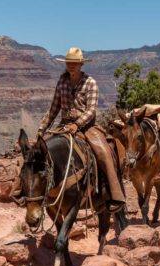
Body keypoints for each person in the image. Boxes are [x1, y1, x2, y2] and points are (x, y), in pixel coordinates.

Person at [38, 47, 125, 211]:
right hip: (64, 125)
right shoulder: (62, 82)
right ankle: (26, 192)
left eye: (75, 63)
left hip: (87, 127)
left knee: (103, 152)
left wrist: (77, 124)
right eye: (69, 63)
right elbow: (53, 109)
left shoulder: (90, 83)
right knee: (38, 152)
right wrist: (42, 129)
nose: (71, 66)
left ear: (81, 65)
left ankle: (114, 195)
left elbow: (91, 110)